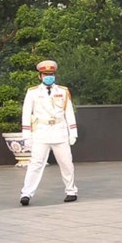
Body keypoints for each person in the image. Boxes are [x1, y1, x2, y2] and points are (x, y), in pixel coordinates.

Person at [19, 59, 79, 206]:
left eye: (51, 74)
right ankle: (26, 193)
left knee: (66, 163)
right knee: (36, 163)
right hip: (41, 132)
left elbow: (69, 112)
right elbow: (26, 114)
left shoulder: (63, 91)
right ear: (40, 76)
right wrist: (26, 135)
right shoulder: (32, 92)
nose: (48, 76)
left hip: (59, 131)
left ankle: (71, 191)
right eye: (45, 74)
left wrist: (73, 132)